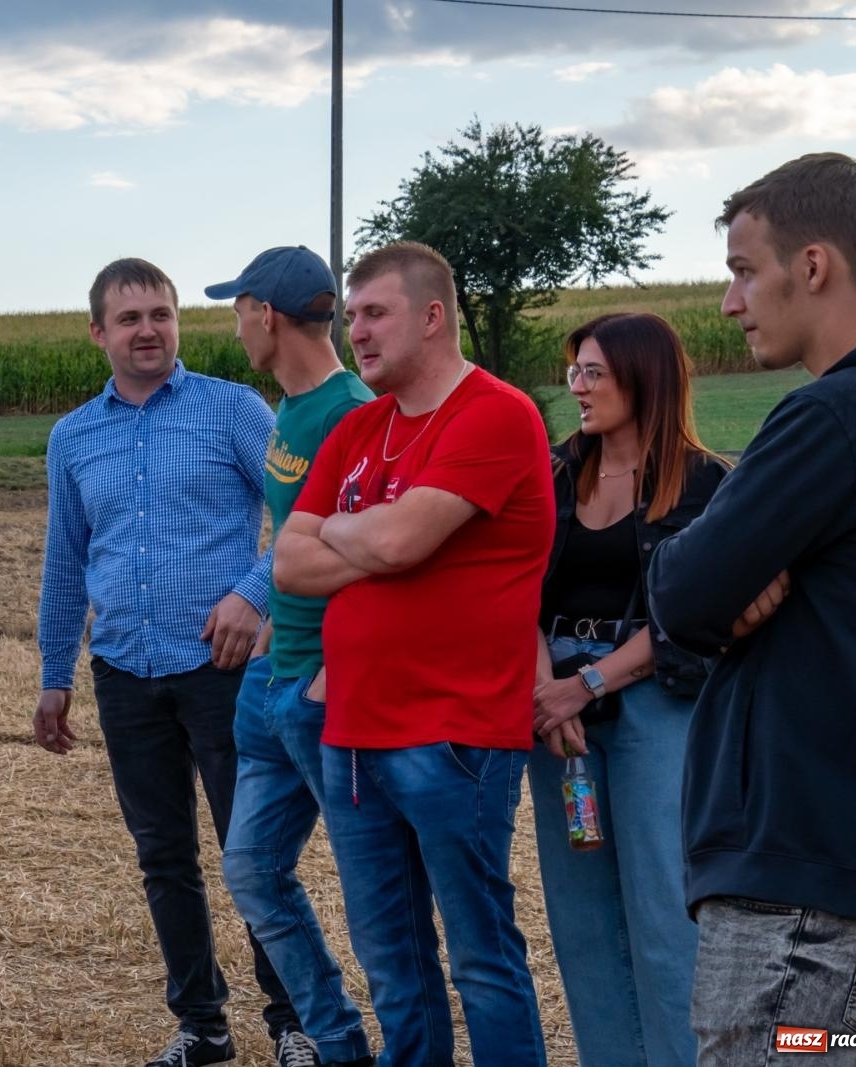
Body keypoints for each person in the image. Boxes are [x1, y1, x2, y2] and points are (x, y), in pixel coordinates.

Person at [648, 153, 856, 1065]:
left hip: (803, 892)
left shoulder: (838, 415)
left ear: (813, 266)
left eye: (744, 271)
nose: (730, 302)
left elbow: (681, 594)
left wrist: (709, 580)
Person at [273, 241, 553, 1067]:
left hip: (454, 735)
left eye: (375, 313)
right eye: (351, 315)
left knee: (481, 960)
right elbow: (289, 563)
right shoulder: (360, 427)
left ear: (433, 317)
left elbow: (397, 542)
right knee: (393, 963)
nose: (355, 331)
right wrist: (382, 538)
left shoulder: (495, 413)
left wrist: (353, 533)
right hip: (353, 734)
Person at [32, 258, 303, 1067]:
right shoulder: (73, 437)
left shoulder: (233, 409)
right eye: (129, 318)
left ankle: (295, 1021)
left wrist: (254, 594)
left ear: (178, 322)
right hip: (124, 673)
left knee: (254, 852)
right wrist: (54, 674)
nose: (147, 330)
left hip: (223, 669)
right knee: (164, 858)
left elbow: (306, 512)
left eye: (160, 314)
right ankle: (203, 1025)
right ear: (98, 332)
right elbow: (65, 560)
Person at [528, 313, 728, 1067]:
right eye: (574, 372)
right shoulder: (553, 472)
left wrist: (586, 682)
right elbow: (515, 587)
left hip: (652, 707)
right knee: (581, 917)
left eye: (594, 374)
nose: (577, 388)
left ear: (644, 379)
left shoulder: (705, 482)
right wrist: (545, 688)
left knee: (662, 911)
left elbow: (693, 610)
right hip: (558, 719)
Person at [205, 246, 377, 1067]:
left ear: (266, 314)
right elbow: (289, 540)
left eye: (239, 310)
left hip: (321, 691)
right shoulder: (289, 410)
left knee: (375, 887)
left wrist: (324, 676)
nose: (236, 327)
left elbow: (372, 557)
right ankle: (337, 1040)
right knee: (251, 869)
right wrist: (271, 648)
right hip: (273, 680)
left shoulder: (353, 415)